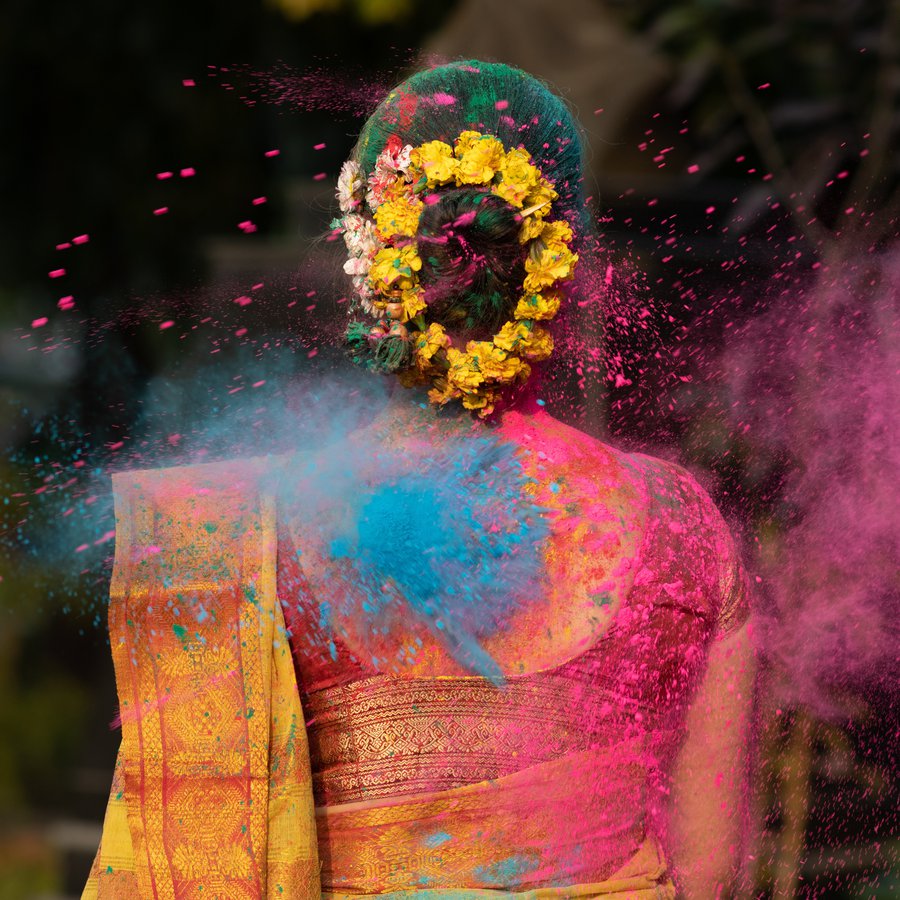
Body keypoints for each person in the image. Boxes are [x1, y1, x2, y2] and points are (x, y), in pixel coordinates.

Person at [83, 60, 756, 899]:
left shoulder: (231, 535)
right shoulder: (681, 527)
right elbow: (716, 871)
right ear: (566, 262)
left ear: (369, 264)